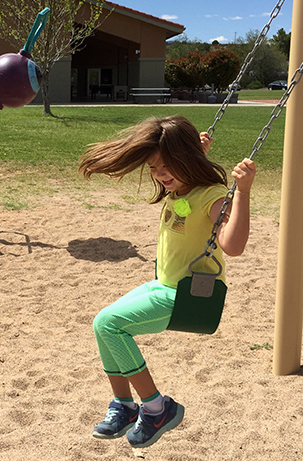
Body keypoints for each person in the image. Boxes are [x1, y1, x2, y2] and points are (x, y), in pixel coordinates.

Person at [77, 115, 256, 449]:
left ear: (186, 160)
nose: (160, 176)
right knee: (102, 325)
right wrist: (193, 157)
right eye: (154, 169)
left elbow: (234, 246)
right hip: (162, 285)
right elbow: (182, 170)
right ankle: (125, 406)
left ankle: (157, 408)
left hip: (187, 297)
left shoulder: (214, 196)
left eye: (166, 167)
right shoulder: (183, 185)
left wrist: (242, 193)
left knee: (110, 324)